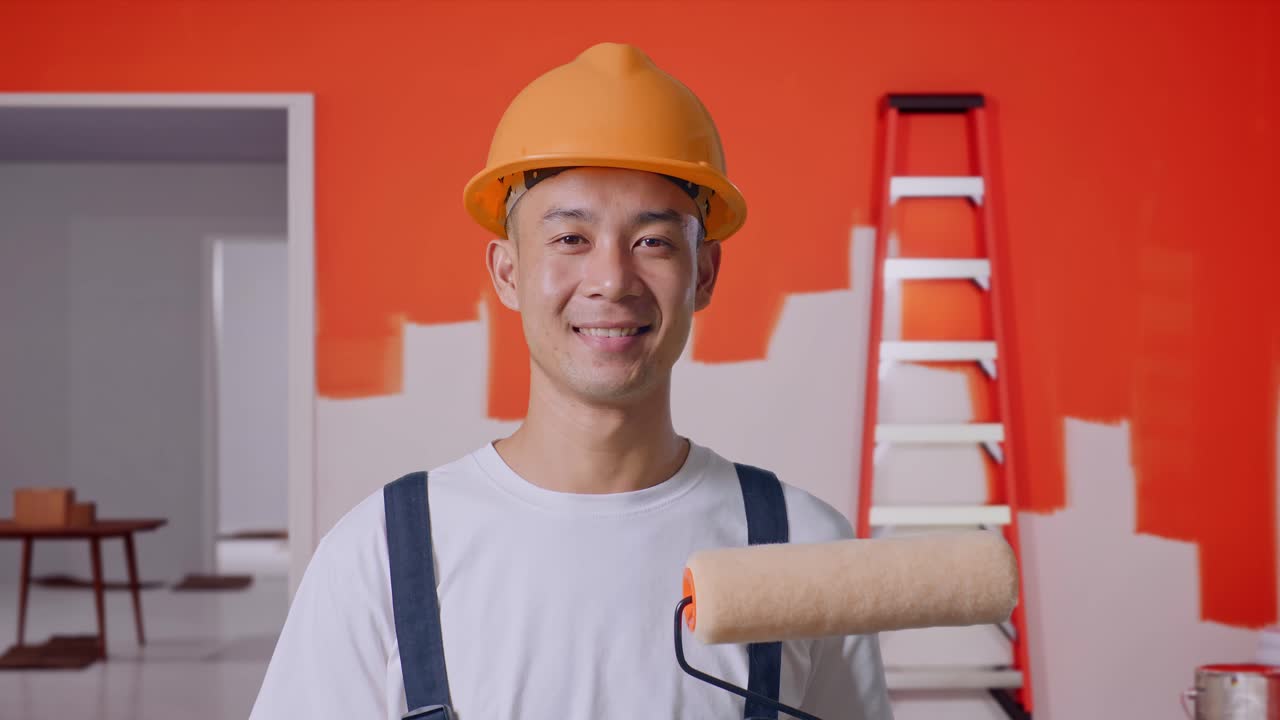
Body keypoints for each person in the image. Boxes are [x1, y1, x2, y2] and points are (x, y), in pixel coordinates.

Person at [250, 42, 892, 720]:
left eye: (654, 242)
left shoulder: (804, 550)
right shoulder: (380, 554)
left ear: (703, 274)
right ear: (506, 272)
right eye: (570, 239)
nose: (612, 280)